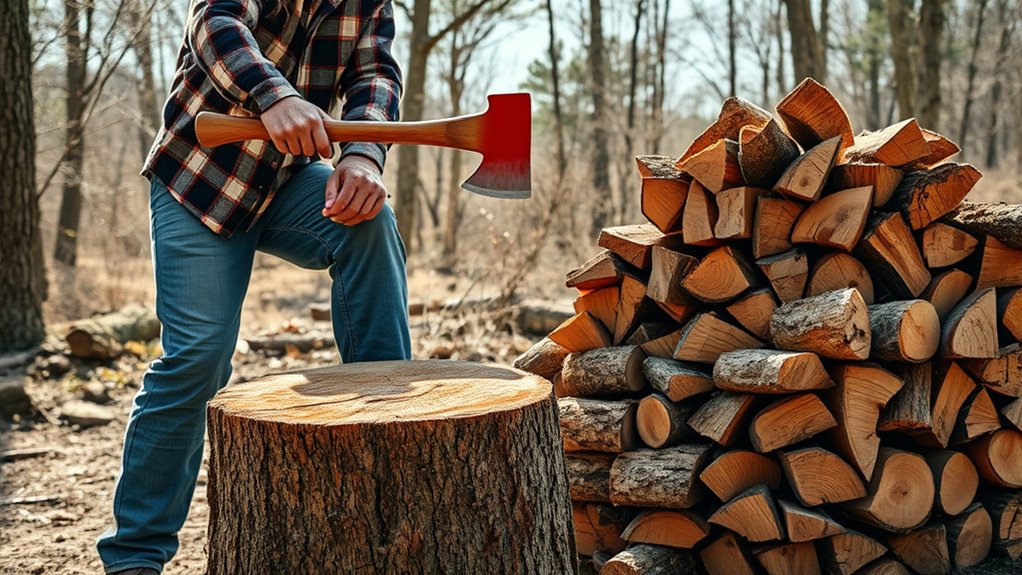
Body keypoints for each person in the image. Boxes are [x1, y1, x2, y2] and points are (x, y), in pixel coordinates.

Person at [96, 1, 409, 573]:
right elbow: (214, 22)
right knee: (198, 357)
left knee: (369, 224)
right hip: (202, 178)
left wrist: (364, 155)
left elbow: (374, 75)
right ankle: (134, 557)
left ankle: (391, 450)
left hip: (288, 180)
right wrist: (276, 95)